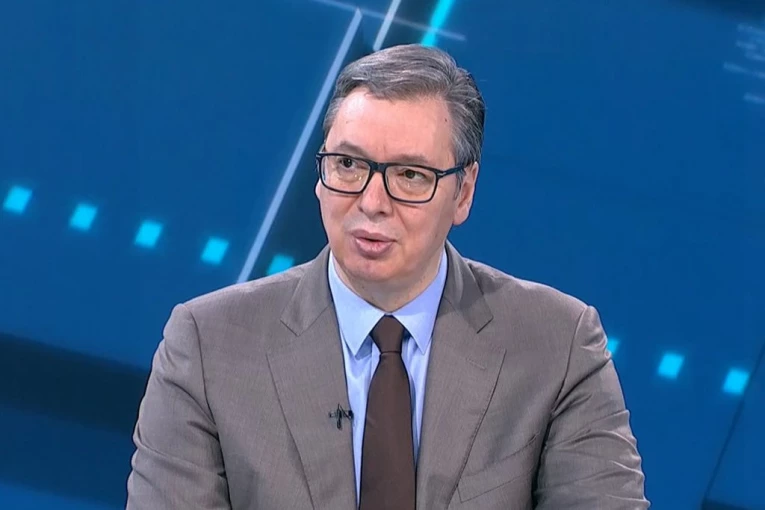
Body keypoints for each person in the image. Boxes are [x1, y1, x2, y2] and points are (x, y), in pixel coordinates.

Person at [126, 44, 648, 509]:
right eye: (348, 165)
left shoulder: (557, 347)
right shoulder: (208, 347)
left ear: (463, 192)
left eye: (410, 175)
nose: (371, 202)